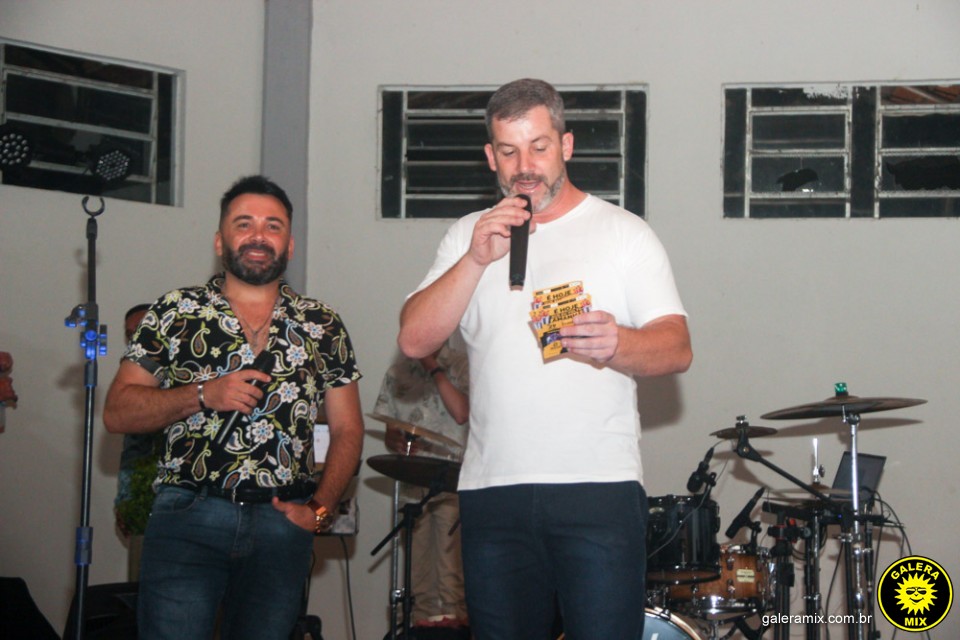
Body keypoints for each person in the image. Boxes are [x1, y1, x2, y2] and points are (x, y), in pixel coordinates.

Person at [397, 78, 692, 640]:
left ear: (566, 145)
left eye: (538, 147)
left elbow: (677, 347)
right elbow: (414, 339)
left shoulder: (623, 233)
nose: (524, 166)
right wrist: (475, 259)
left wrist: (618, 342)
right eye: (509, 151)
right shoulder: (466, 236)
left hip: (597, 486)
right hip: (492, 491)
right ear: (491, 157)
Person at [103, 175, 364, 640]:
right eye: (244, 224)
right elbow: (117, 411)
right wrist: (202, 394)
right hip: (188, 514)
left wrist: (320, 511)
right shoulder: (175, 311)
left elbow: (349, 429)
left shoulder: (322, 323)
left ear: (290, 245)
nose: (258, 235)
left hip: (283, 521)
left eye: (273, 226)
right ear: (219, 240)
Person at [374, 340, 470, 638]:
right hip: (413, 484)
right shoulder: (397, 372)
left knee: (451, 572)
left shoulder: (462, 365)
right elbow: (390, 427)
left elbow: (462, 413)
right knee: (417, 575)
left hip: (452, 481)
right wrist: (394, 440)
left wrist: (433, 367)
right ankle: (420, 629)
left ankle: (454, 630)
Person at [113, 303, 163, 540]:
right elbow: (133, 446)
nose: (135, 338)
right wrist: (125, 499)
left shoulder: (189, 366)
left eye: (141, 329)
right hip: (144, 495)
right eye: (130, 334)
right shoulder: (132, 376)